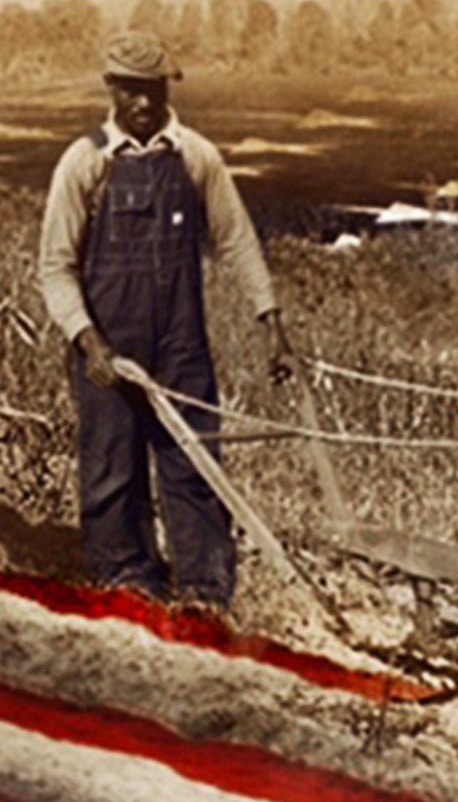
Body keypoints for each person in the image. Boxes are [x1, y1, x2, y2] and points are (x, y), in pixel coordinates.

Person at [37, 29, 295, 607]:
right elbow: (55, 269)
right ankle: (126, 584)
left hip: (182, 346)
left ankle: (205, 593)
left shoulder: (197, 157)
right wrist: (90, 342)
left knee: (195, 469)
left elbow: (239, 242)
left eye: (152, 88)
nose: (144, 103)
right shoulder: (84, 162)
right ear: (110, 87)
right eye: (130, 90)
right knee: (111, 474)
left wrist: (271, 323)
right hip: (108, 350)